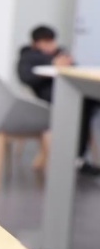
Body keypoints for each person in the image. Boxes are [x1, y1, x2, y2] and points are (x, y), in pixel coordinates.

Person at [17, 25, 100, 175]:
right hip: (48, 99)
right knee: (83, 108)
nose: (51, 45)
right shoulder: (28, 57)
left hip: (70, 94)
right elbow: (26, 77)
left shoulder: (60, 54)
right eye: (46, 42)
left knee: (88, 104)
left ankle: (78, 158)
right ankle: (76, 159)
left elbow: (73, 71)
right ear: (36, 43)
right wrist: (53, 64)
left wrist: (67, 62)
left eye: (52, 41)